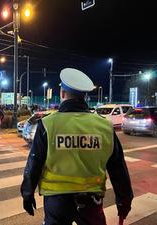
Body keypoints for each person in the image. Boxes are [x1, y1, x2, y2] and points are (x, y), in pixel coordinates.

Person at [20, 68, 133, 225]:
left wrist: (27, 193)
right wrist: (124, 200)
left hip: (57, 199)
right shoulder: (104, 126)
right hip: (91, 200)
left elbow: (34, 162)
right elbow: (118, 167)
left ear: (62, 94)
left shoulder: (48, 124)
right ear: (84, 96)